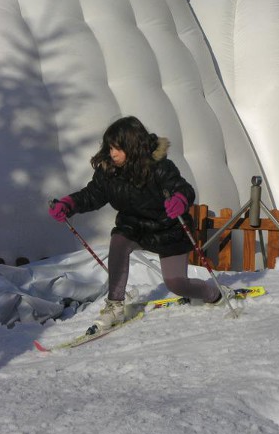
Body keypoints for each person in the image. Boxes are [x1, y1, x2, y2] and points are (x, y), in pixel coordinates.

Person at [48, 116, 226, 330]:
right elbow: (92, 195)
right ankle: (114, 306)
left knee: (177, 284)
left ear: (133, 147)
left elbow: (182, 188)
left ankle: (213, 293)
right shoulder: (108, 170)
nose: (112, 153)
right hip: (133, 226)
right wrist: (68, 204)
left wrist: (179, 199)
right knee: (119, 241)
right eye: (110, 147)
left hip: (167, 229)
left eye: (118, 148)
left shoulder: (160, 167)